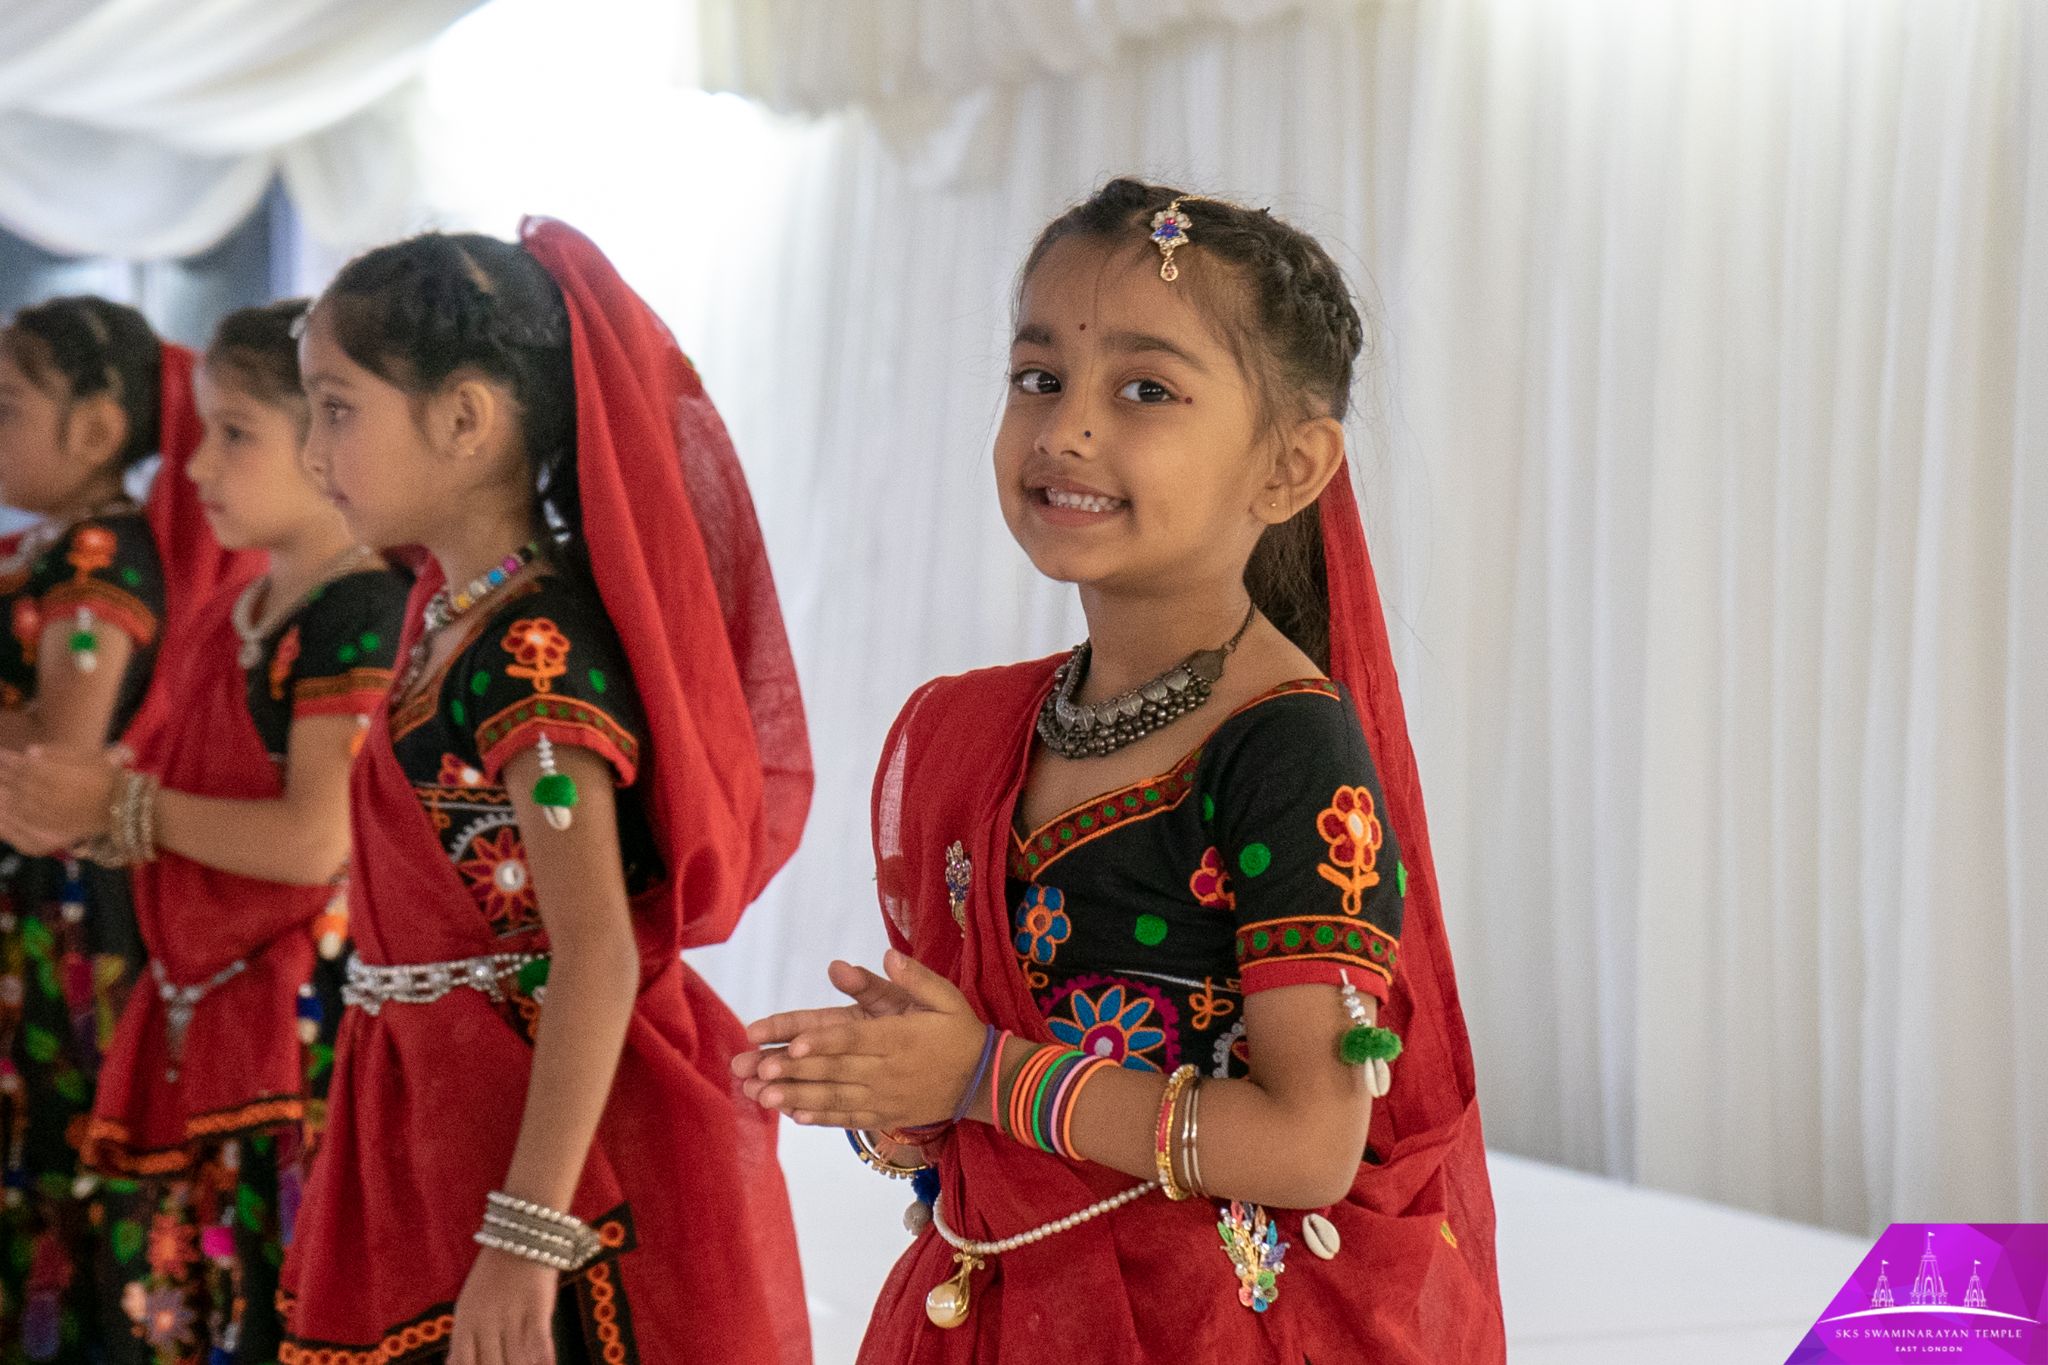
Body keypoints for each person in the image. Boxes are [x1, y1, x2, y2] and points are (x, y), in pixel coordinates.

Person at [738, 181, 1505, 1363]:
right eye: (1037, 377)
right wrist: (894, 1091)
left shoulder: (1284, 747)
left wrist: (984, 1076)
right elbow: (990, 1061)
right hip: (996, 1300)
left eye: (1144, 390)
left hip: (1189, 1328)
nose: (1065, 430)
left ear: (1288, 467)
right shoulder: (980, 727)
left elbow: (1308, 1144)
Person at [280, 221, 815, 1365]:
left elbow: (596, 953)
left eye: (335, 409)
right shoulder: (449, 618)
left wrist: (524, 1234)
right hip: (444, 1111)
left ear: (464, 419)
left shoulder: (533, 654)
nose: (312, 450)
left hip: (542, 1149)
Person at [0, 299, 411, 1364]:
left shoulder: (362, 611)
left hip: (301, 1022)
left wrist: (115, 810)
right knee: (191, 1296)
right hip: (203, 1001)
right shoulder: (239, 612)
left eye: (235, 434)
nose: (193, 466)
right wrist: (97, 812)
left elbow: (314, 841)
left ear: (326, 440)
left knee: (277, 1292)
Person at [0, 295, 248, 1363]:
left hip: (64, 918)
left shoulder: (98, 558)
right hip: (34, 905)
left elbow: (61, 741)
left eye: (8, 405)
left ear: (98, 429)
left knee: (65, 1148)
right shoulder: (52, 549)